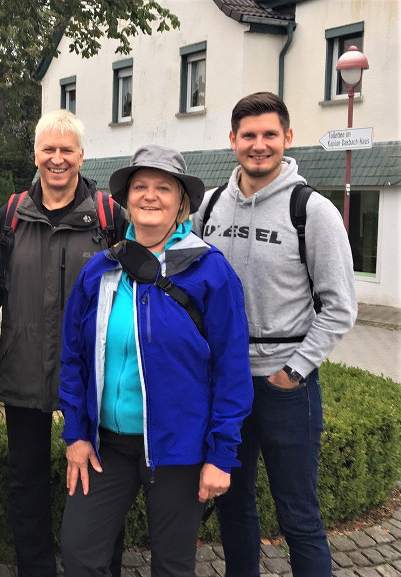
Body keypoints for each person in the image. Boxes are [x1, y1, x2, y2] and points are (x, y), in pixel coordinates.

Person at [59, 144, 253, 576]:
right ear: (126, 201)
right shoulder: (100, 271)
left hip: (178, 449)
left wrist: (221, 455)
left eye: (163, 187)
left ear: (181, 202)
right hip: (106, 444)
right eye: (140, 186)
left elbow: (231, 371)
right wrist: (76, 434)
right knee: (79, 554)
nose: (150, 196)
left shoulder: (210, 272)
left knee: (172, 564)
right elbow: (72, 357)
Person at [192, 92, 358, 576]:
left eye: (269, 135)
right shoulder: (210, 207)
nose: (259, 145)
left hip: (286, 389)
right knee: (233, 506)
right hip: (224, 385)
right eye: (249, 135)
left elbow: (341, 307)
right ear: (232, 140)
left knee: (298, 515)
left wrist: (293, 371)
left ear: (287, 137)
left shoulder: (313, 211)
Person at [0, 110, 127, 577]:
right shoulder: (11, 217)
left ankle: (99, 569)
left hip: (92, 379)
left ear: (82, 156)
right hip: (25, 371)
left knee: (96, 485)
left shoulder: (109, 217)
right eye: (49, 149)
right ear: (36, 155)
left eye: (67, 150)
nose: (57, 159)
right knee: (27, 485)